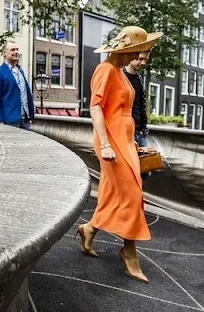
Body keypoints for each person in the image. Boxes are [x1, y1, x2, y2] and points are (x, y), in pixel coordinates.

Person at [75, 26, 163, 284]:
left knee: (115, 193)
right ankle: (129, 253)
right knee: (132, 194)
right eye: (137, 52)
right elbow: (96, 108)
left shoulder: (120, 73)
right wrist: (105, 144)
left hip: (124, 139)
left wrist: (130, 142)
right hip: (110, 139)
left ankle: (88, 229)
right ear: (127, 50)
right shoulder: (105, 69)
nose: (140, 58)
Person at [0, 40, 35, 130]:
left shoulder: (20, 71)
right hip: (9, 121)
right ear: (5, 53)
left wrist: (30, 116)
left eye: (17, 50)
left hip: (25, 120)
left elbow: (26, 93)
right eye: (13, 50)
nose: (16, 52)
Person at [123, 53, 150, 147]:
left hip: (140, 133)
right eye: (140, 59)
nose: (143, 63)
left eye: (146, 60)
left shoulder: (139, 79)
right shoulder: (120, 77)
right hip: (125, 133)